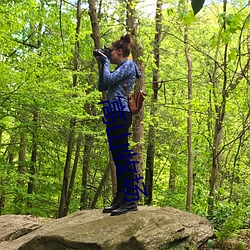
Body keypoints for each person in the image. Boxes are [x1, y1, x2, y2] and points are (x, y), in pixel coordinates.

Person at [96, 34, 142, 216]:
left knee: (123, 156)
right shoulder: (119, 69)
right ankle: (121, 197)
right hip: (114, 113)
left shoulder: (129, 65)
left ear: (120, 52)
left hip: (121, 113)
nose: (109, 54)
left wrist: (105, 62)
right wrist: (103, 63)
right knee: (117, 157)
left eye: (111, 51)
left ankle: (131, 199)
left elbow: (107, 81)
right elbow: (102, 85)